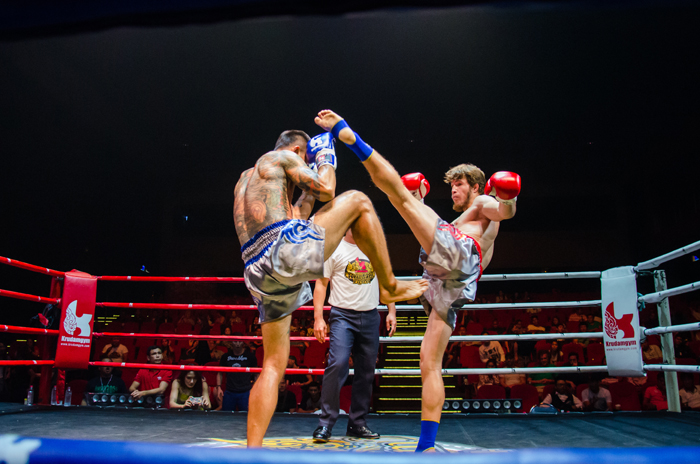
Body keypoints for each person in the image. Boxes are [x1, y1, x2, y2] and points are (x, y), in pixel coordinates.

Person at [313, 109, 520, 453]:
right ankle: (426, 446)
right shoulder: (466, 217)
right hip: (452, 283)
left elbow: (504, 213)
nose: (454, 189)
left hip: (459, 259)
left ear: (477, 187)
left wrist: (508, 197)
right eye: (452, 184)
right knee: (429, 362)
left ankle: (351, 138)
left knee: (398, 195)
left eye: (460, 184)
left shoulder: (485, 202)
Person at [234, 129, 427, 447]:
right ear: (297, 150)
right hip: (281, 249)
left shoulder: (247, 178)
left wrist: (305, 195)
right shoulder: (283, 157)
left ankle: (252, 452)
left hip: (256, 270)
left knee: (273, 364)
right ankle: (389, 286)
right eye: (304, 161)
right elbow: (326, 188)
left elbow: (296, 214)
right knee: (358, 201)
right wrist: (324, 158)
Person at [311, 228, 397, 442]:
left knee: (366, 371)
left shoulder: (374, 247)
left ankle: (357, 423)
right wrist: (318, 318)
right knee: (338, 364)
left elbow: (387, 281)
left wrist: (392, 311)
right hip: (342, 316)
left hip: (370, 315)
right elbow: (321, 284)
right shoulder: (333, 248)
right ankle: (325, 424)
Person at [217, 337, 257, 411]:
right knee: (226, 416)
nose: (237, 344)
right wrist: (219, 387)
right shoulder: (226, 356)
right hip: (230, 391)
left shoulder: (250, 356)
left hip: (245, 391)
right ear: (232, 342)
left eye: (239, 341)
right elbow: (220, 372)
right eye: (235, 341)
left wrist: (254, 388)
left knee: (246, 417)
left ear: (243, 342)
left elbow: (256, 373)